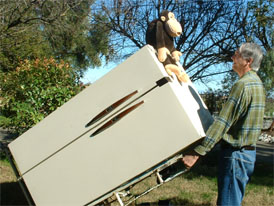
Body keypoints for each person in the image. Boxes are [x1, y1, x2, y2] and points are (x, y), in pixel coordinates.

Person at [182, 42, 265, 206]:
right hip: (247, 155)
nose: (232, 57)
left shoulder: (242, 85)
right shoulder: (257, 83)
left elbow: (223, 122)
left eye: (237, 55)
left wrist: (198, 152)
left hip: (236, 156)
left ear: (248, 61)